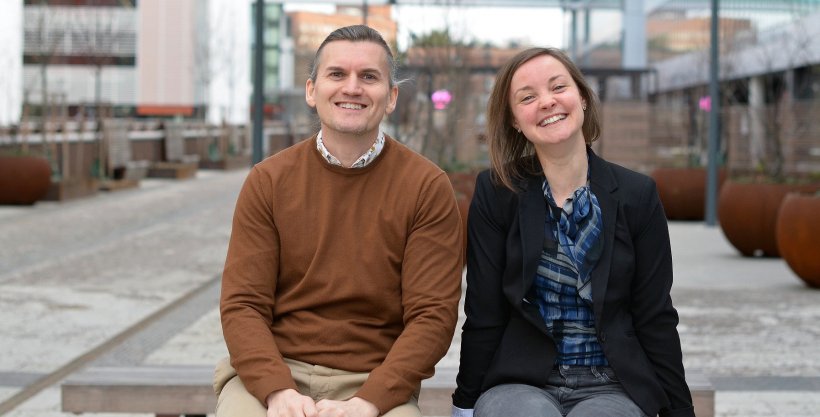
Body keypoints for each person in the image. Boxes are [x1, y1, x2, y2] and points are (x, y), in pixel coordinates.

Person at [214, 25, 464, 417]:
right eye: (337, 74)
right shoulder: (269, 180)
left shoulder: (426, 187)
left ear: (391, 96)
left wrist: (370, 401)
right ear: (312, 91)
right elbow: (243, 304)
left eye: (369, 76)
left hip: (373, 378)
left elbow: (432, 316)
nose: (352, 88)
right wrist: (277, 391)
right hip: (274, 370)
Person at [451, 47, 696, 417]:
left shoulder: (637, 195)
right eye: (528, 97)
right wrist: (464, 405)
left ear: (581, 97)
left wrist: (681, 410)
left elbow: (655, 315)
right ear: (515, 120)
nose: (547, 102)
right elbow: (484, 312)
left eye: (557, 87)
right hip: (521, 383)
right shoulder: (496, 193)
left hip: (614, 384)